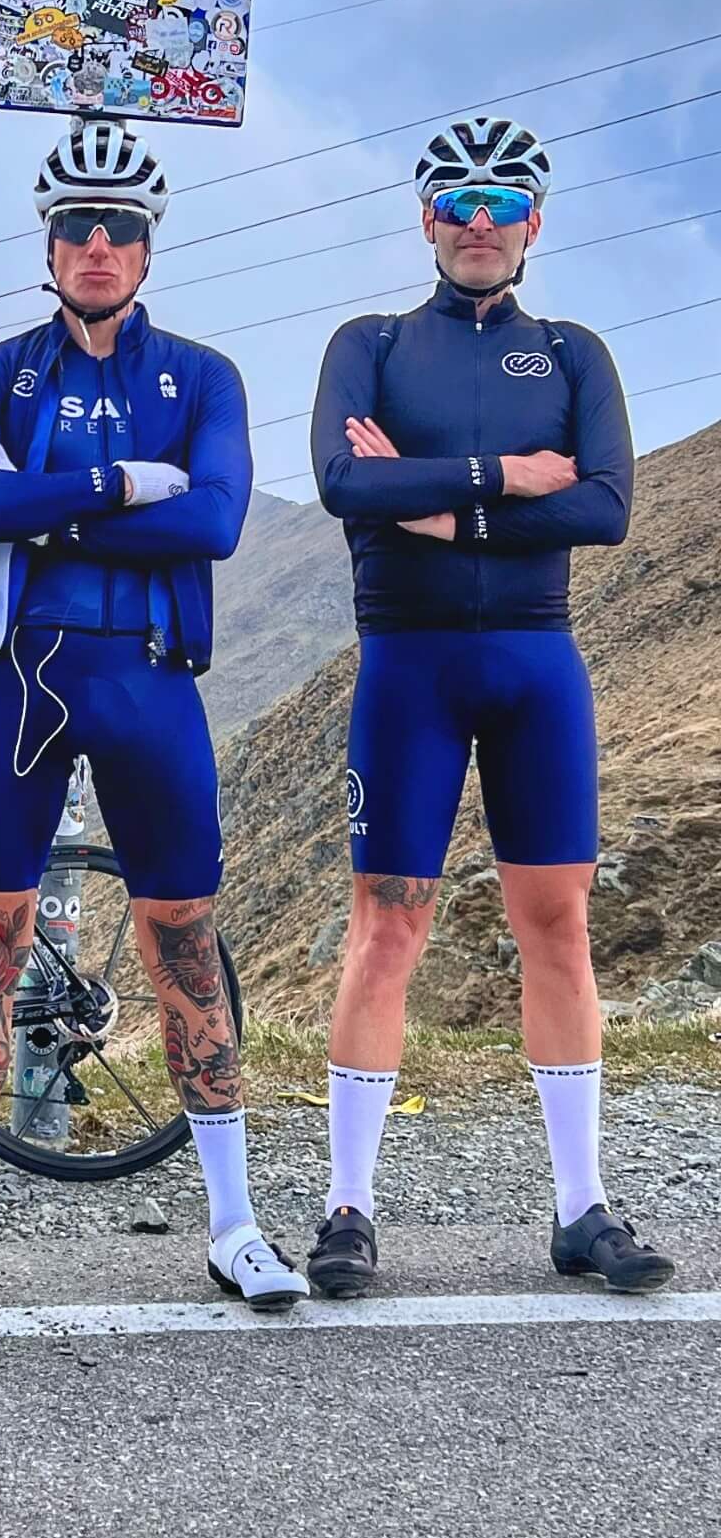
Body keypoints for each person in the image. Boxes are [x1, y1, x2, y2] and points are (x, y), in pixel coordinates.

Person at [0, 118, 308, 1317]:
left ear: (148, 247)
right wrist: (121, 487)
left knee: (182, 938)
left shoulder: (203, 377)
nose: (99, 245)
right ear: (50, 245)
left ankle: (235, 1226)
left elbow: (214, 520)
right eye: (78, 228)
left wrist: (42, 505)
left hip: (149, 680)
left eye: (120, 228)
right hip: (20, 676)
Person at [305, 113, 671, 1296]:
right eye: (456, 203)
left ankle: (581, 1208)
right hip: (407, 665)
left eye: (501, 204)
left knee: (557, 926)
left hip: (534, 664)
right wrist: (504, 479)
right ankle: (348, 1208)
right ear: (425, 220)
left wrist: (434, 510)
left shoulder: (571, 354)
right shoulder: (370, 344)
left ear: (533, 226)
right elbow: (343, 482)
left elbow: (606, 507)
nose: (478, 221)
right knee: (386, 926)